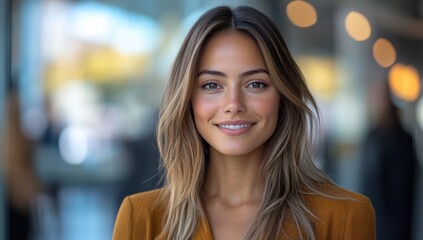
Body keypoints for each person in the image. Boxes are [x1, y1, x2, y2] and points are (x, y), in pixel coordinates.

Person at [112, 6, 375, 240]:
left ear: (283, 96)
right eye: (212, 85)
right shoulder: (141, 218)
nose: (234, 104)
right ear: (188, 99)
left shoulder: (346, 216)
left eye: (256, 84)